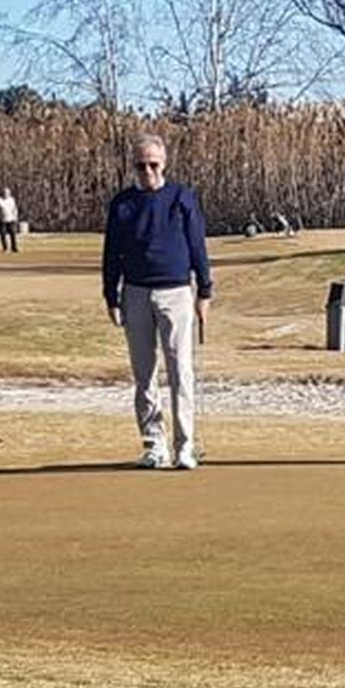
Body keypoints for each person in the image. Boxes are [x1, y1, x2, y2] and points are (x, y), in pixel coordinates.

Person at [102, 134, 212, 469]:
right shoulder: (123, 204)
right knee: (144, 373)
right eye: (141, 165)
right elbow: (111, 253)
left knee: (181, 371)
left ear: (164, 164)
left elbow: (197, 245)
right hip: (135, 292)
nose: (147, 171)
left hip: (176, 292)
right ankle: (154, 444)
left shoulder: (181, 197)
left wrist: (205, 291)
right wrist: (111, 296)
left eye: (153, 164)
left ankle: (185, 446)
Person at [0, 188, 21, 253]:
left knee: (13, 233)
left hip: (11, 219)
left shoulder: (11, 200)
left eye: (7, 193)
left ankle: (14, 248)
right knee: (3, 234)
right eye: (5, 193)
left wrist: (15, 216)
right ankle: (5, 248)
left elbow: (15, 208)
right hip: (2, 220)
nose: (6, 194)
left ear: (9, 194)